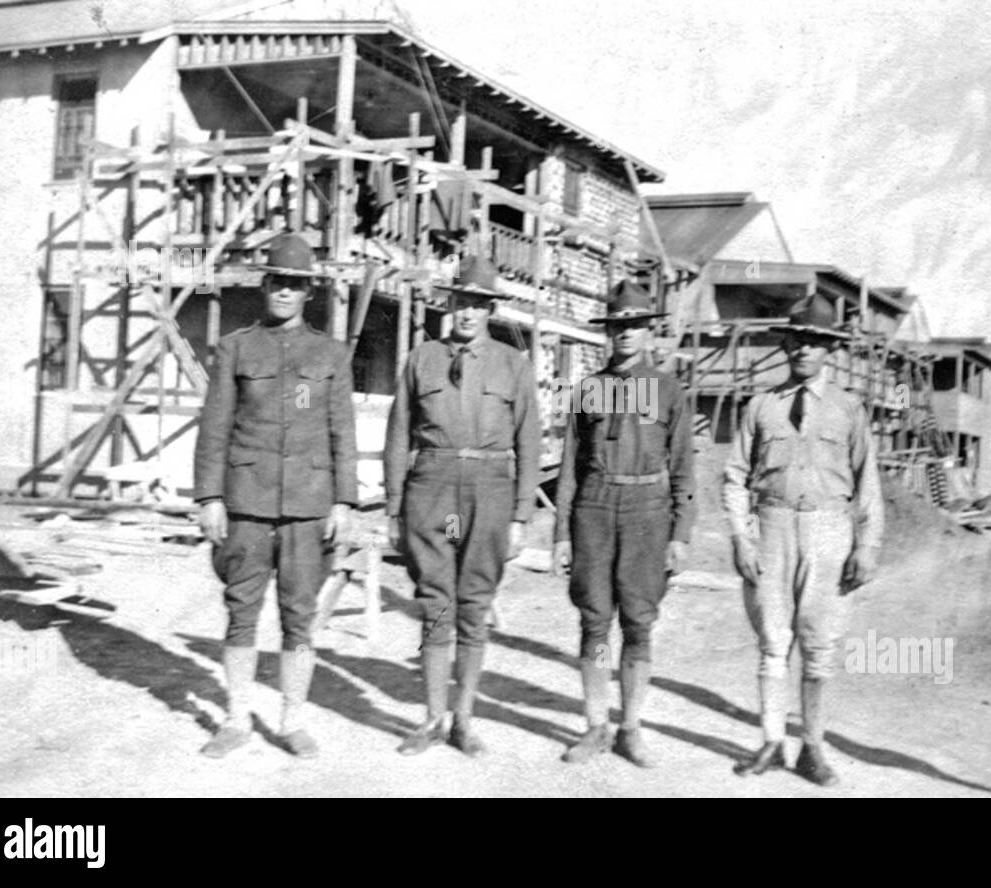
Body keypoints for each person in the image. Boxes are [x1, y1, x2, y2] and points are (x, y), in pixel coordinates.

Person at [194, 233, 358, 759]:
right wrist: (209, 498)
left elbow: (342, 433)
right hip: (245, 502)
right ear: (264, 285)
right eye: (277, 282)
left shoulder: (330, 353)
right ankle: (237, 717)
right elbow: (214, 427)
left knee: (300, 615)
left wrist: (345, 502)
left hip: (309, 506)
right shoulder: (236, 348)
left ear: (308, 291)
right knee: (241, 611)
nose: (284, 292)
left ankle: (292, 719)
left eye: (294, 284)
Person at [721, 294, 884, 786]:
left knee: (819, 647)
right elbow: (733, 478)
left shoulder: (849, 409)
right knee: (772, 642)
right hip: (771, 527)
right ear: (785, 343)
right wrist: (742, 538)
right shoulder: (760, 406)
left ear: (829, 348)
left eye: (815, 341)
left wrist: (867, 544)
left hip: (829, 530)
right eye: (796, 340)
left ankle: (813, 747)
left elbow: (867, 483)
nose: (804, 350)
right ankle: (771, 741)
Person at [384, 255, 540, 757]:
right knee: (436, 602)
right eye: (461, 302)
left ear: (490, 308)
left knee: (473, 605)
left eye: (478, 303)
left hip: (489, 490)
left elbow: (531, 443)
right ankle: (431, 718)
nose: (468, 312)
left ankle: (464, 721)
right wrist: (392, 506)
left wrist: (520, 516)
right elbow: (398, 435)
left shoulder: (514, 365)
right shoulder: (422, 358)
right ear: (449, 303)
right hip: (432, 486)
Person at [552, 280, 695, 767]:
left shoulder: (669, 389)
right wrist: (560, 536)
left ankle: (631, 727)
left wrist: (680, 533)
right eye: (618, 326)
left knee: (638, 623)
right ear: (607, 332)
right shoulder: (589, 389)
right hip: (594, 505)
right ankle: (596, 725)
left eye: (635, 325)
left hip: (647, 510)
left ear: (649, 331)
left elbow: (683, 469)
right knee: (594, 622)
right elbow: (570, 465)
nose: (626, 334)